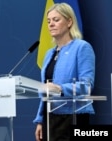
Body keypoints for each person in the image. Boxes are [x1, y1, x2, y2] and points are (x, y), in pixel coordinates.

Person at [33, 3, 95, 141]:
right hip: (50, 119)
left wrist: (60, 89)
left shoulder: (82, 47)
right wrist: (40, 120)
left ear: (69, 22)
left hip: (73, 117)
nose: (51, 24)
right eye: (49, 21)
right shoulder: (49, 54)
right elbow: (46, 90)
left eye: (56, 20)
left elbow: (87, 87)